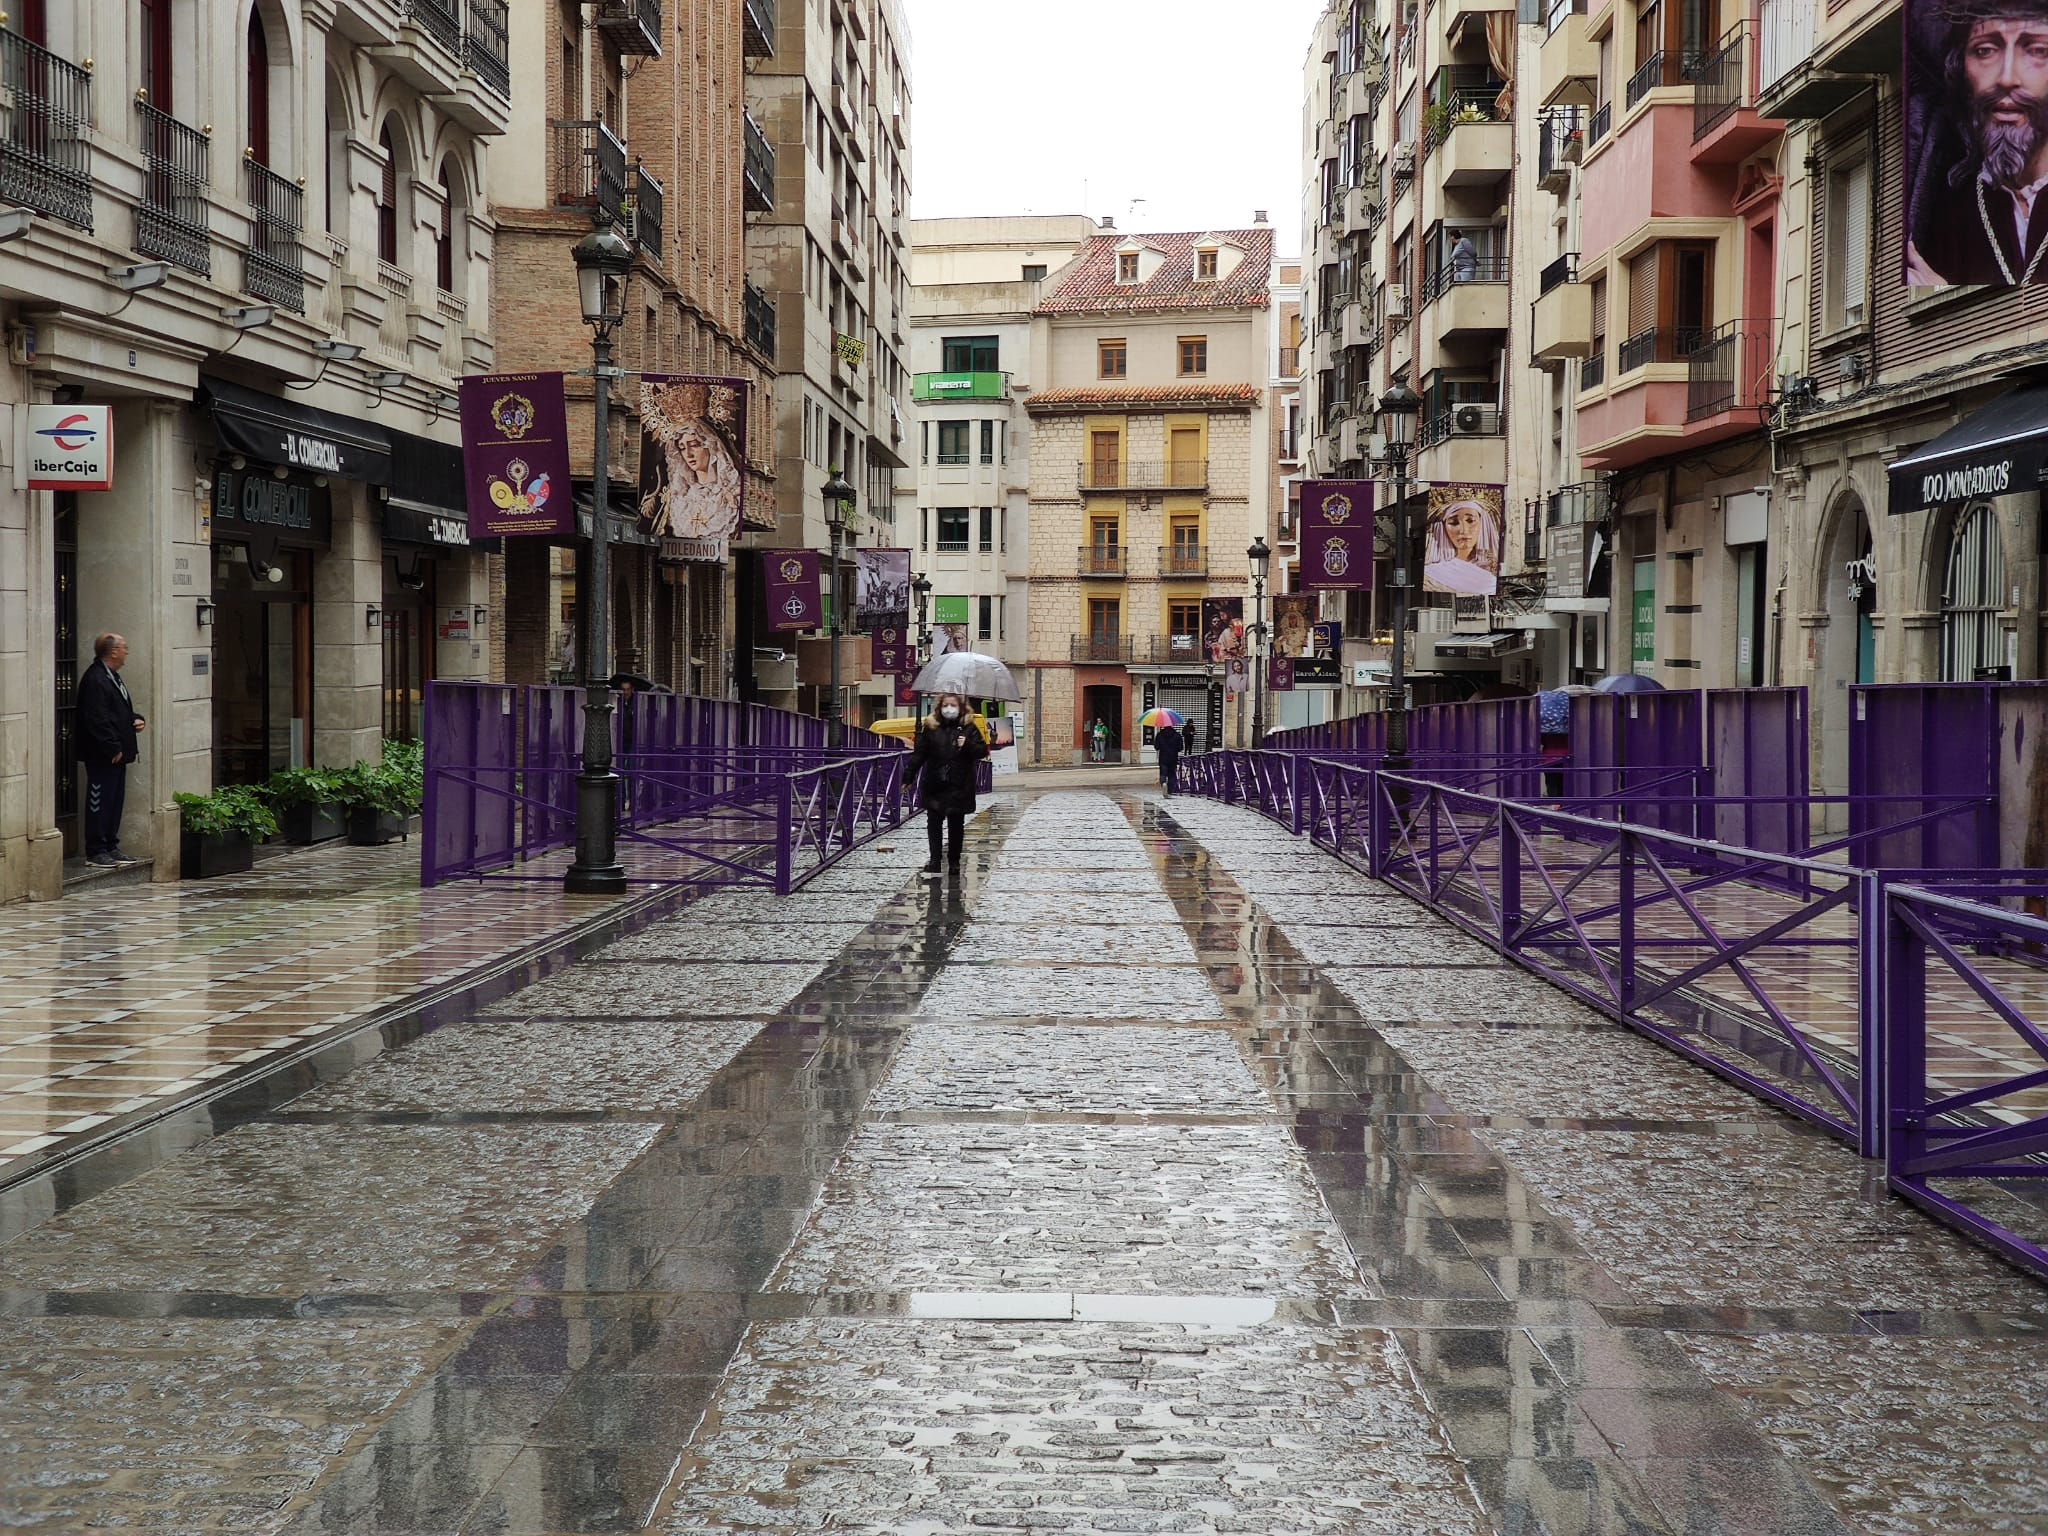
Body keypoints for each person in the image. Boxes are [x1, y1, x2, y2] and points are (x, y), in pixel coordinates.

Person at [1909, 2, 2048, 285]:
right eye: (1985, 50)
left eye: (2037, 50)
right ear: (1961, 69)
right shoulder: (1940, 217)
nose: (2007, 78)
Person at [77, 633, 145, 868]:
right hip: (103, 754)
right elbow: (96, 718)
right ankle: (96, 850)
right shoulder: (96, 678)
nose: (127, 651)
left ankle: (110, 845)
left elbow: (118, 712)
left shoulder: (113, 677)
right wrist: (112, 746)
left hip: (118, 754)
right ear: (113, 651)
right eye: (124, 647)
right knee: (100, 799)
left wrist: (135, 719)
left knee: (114, 800)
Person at [902, 691, 988, 877]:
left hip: (960, 783)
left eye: (953, 705)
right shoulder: (931, 728)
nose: (949, 709)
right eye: (946, 705)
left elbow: (982, 751)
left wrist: (967, 745)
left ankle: (954, 862)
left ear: (961, 708)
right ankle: (935, 860)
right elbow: (920, 754)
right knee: (934, 823)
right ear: (940, 707)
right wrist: (908, 777)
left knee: (956, 825)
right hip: (936, 783)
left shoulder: (969, 727)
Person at [1423, 496, 1503, 595]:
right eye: (1454, 523)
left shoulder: (1496, 569)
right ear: (1443, 528)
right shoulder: (1431, 574)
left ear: (1482, 524)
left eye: (1470, 521)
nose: (1463, 530)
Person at [1154, 722, 1183, 795]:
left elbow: (1156, 747)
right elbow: (1180, 748)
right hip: (1173, 758)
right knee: (1172, 774)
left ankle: (1163, 783)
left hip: (1163, 757)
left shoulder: (1159, 735)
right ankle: (1170, 791)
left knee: (1163, 773)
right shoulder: (1177, 735)